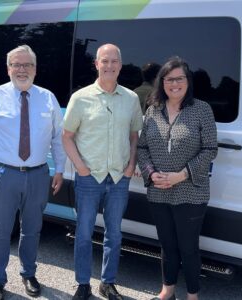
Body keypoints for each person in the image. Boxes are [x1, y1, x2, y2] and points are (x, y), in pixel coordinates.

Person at [0, 45, 66, 300]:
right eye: (17, 64)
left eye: (27, 65)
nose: (22, 69)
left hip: (38, 174)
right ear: (8, 68)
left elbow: (58, 137)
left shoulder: (48, 98)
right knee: (0, 230)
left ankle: (28, 273)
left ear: (35, 69)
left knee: (32, 229)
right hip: (4, 173)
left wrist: (60, 170)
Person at [62, 43, 143, 300]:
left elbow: (134, 135)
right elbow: (67, 136)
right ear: (96, 64)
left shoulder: (130, 99)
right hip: (89, 178)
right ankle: (83, 283)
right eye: (104, 61)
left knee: (114, 234)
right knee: (84, 233)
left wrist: (132, 165)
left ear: (120, 64)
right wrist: (80, 167)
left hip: (119, 177)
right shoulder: (81, 97)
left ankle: (108, 283)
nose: (109, 66)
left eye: (114, 61)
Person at [137, 57, 218, 300]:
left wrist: (180, 176)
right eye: (169, 79)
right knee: (167, 245)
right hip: (159, 189)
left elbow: (210, 149)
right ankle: (167, 291)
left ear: (187, 81)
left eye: (179, 78)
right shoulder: (153, 110)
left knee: (188, 247)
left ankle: (192, 296)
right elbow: (142, 149)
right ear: (161, 82)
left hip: (191, 190)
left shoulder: (201, 109)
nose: (174, 84)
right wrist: (151, 173)